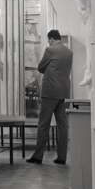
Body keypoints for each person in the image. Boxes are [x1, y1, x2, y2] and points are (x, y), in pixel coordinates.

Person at [27, 30, 73, 165]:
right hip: (63, 92)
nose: (49, 43)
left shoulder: (50, 50)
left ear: (51, 39)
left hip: (50, 92)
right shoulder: (69, 52)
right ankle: (62, 157)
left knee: (43, 124)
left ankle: (38, 156)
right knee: (63, 125)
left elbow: (40, 67)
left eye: (49, 40)